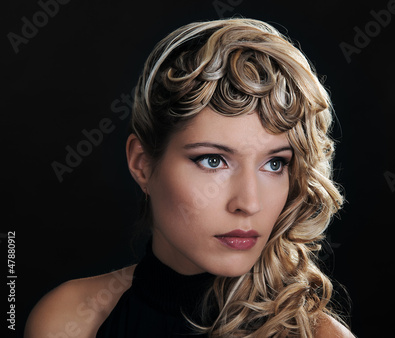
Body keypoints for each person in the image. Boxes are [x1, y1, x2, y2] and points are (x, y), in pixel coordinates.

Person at [25, 18, 355, 337]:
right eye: (213, 161)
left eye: (274, 164)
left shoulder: (319, 336)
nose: (249, 203)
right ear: (142, 164)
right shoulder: (68, 322)